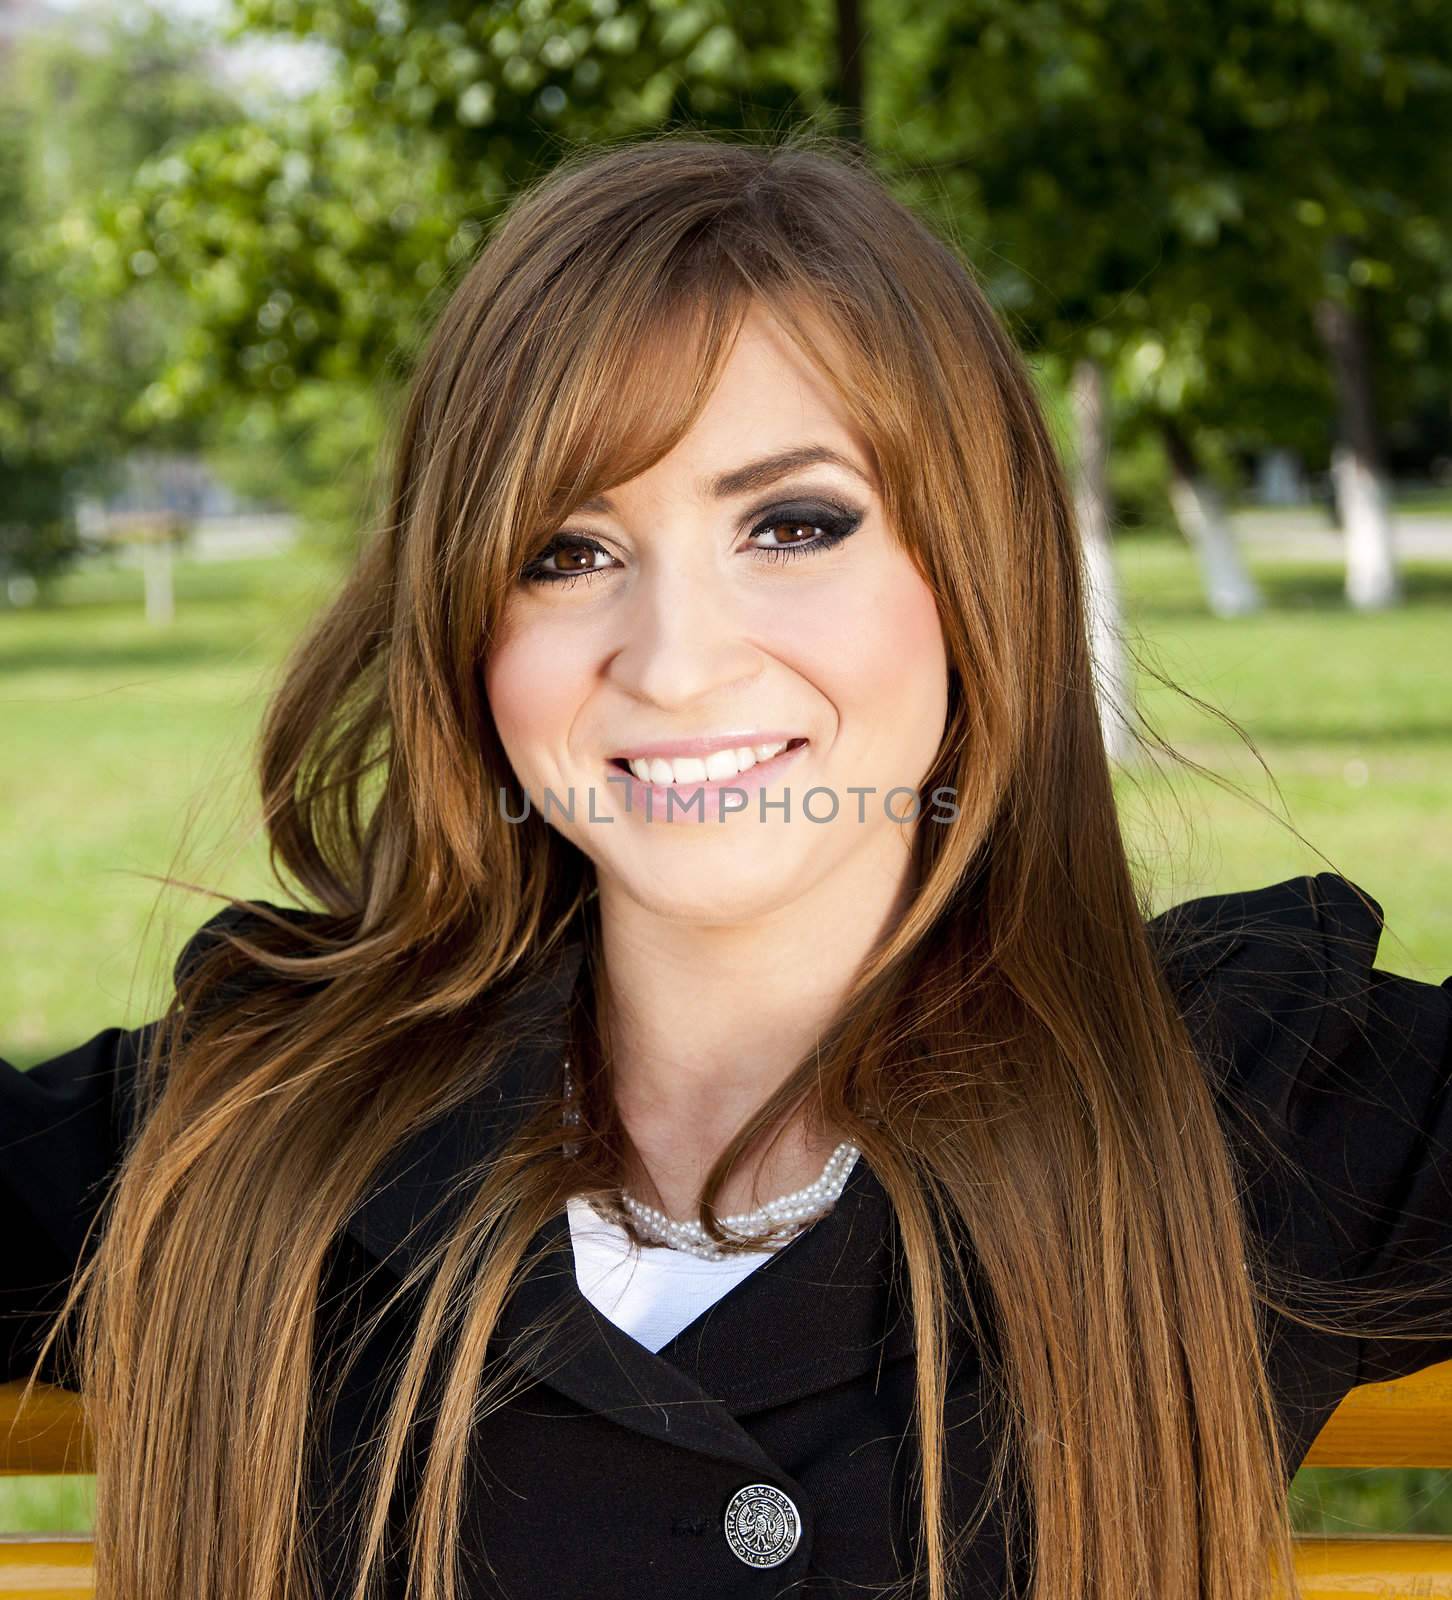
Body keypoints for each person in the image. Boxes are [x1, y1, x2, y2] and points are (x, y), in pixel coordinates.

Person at [2, 131, 1449, 1600]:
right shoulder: (262, 1119)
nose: (678, 665)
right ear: (466, 627)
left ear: (978, 571)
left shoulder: (1245, 1092)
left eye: (793, 524)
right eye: (564, 552)